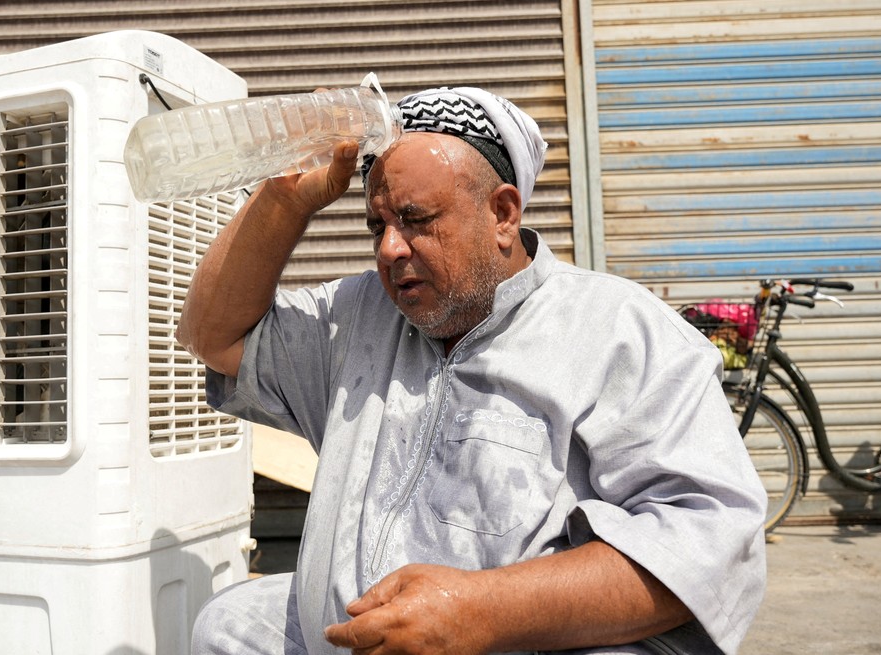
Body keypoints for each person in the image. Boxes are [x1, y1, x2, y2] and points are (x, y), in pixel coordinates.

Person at [179, 86, 767, 654]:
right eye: (376, 225)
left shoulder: (619, 330)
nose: (388, 249)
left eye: (415, 218)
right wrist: (283, 201)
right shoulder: (359, 317)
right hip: (355, 636)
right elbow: (215, 337)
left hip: (518, 642)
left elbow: (708, 542)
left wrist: (479, 613)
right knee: (233, 624)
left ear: (503, 214)